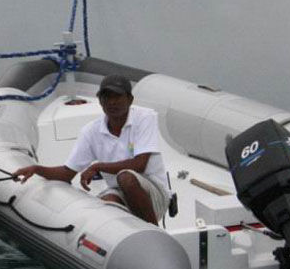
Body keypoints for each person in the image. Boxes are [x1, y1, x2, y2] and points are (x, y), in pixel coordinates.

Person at [13, 74, 171, 225]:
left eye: (117, 96)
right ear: (100, 101)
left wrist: (97, 166)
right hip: (119, 190)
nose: (112, 102)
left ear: (130, 99)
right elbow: (67, 173)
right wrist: (36, 169)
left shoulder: (144, 117)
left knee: (126, 177)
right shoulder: (91, 131)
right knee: (106, 204)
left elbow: (140, 165)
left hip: (155, 193)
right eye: (106, 97)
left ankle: (155, 231)